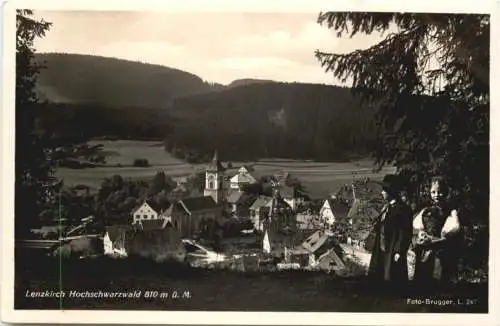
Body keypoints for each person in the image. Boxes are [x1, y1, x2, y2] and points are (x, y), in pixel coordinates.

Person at [412, 176, 462, 284]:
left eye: (440, 192)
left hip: (442, 245)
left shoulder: (450, 209)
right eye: (433, 192)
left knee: (441, 272)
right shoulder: (426, 207)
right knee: (424, 273)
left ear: (446, 192)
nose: (436, 195)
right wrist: (421, 234)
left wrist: (439, 240)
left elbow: (454, 228)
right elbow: (418, 224)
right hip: (427, 245)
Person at [368, 175, 413, 284]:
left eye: (384, 190)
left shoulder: (403, 210)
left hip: (393, 247)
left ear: (391, 191)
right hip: (382, 246)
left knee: (393, 275)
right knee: (381, 273)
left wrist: (399, 250)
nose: (382, 192)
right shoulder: (386, 208)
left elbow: (405, 232)